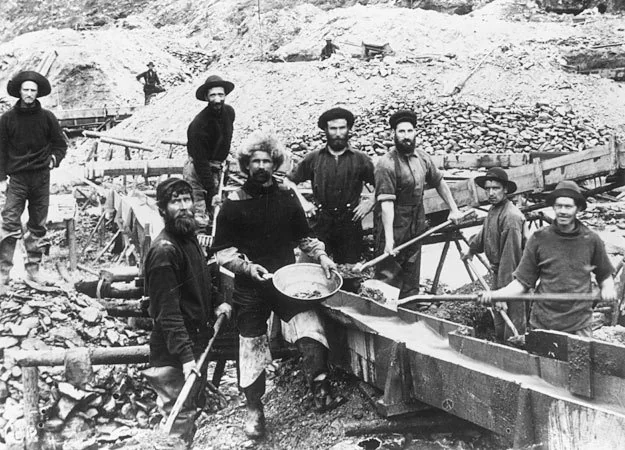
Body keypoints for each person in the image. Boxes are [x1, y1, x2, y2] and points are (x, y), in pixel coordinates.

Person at [212, 131, 343, 439]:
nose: (261, 166)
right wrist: (246, 267)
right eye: (255, 161)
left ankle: (320, 389)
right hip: (250, 286)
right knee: (251, 345)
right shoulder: (233, 204)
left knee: (309, 326)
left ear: (275, 163)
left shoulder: (285, 197)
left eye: (266, 161)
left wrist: (322, 256)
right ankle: (254, 409)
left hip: (286, 282)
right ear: (246, 166)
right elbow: (223, 254)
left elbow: (304, 238)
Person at [142, 177, 232, 444]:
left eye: (186, 199)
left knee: (191, 412)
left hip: (193, 345)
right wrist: (185, 357)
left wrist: (217, 300)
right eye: (174, 202)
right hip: (173, 354)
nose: (183, 206)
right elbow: (166, 313)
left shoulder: (188, 239)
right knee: (178, 417)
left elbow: (199, 279)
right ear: (162, 210)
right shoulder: (164, 252)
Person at [479, 180, 616, 337]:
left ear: (577, 208)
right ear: (553, 207)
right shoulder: (539, 239)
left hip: (578, 323)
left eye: (568, 206)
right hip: (544, 322)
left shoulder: (591, 240)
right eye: (559, 206)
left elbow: (605, 275)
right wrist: (497, 294)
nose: (563, 211)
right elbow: (522, 283)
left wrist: (608, 288)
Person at [374, 110, 463, 298]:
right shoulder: (386, 164)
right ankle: (384, 316)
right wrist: (389, 240)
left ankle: (409, 310)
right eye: (401, 132)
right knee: (389, 270)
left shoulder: (422, 157)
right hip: (394, 222)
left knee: (412, 267)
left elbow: (439, 182)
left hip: (416, 220)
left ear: (416, 132)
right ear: (393, 135)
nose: (406, 136)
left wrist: (454, 209)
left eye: (409, 131)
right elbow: (387, 204)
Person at [0, 71, 67, 295]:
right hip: (17, 179)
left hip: (41, 178)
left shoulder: (47, 117)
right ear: (19, 92)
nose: (29, 94)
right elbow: (0, 151)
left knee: (38, 223)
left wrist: (53, 159)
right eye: (26, 90)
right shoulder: (7, 119)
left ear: (38, 93)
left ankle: (34, 268)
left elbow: (60, 145)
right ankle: (3, 272)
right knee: (9, 222)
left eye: (33, 90)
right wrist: (1, 179)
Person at [286, 107, 374, 266]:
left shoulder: (361, 159)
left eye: (342, 128)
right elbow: (289, 181)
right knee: (311, 270)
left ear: (349, 129)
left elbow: (383, 186)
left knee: (348, 274)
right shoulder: (313, 158)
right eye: (333, 128)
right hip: (320, 222)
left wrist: (370, 202)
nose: (338, 133)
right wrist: (303, 203)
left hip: (350, 224)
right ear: (325, 130)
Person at [462, 167, 526, 340]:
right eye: (488, 188)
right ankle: (500, 346)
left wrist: (503, 294)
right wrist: (471, 250)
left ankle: (515, 355)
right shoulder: (494, 209)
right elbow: (483, 235)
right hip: (499, 274)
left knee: (513, 323)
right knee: (499, 317)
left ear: (505, 189)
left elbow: (510, 260)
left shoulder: (511, 217)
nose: (490, 192)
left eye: (495, 188)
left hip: (514, 279)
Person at [184, 75, 235, 230]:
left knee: (217, 212)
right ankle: (198, 249)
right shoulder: (199, 124)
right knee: (199, 216)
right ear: (206, 97)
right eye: (213, 95)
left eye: (221, 94)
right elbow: (201, 162)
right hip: (198, 171)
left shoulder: (229, 113)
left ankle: (217, 248)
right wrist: (212, 192)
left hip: (217, 168)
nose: (218, 99)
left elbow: (225, 137)